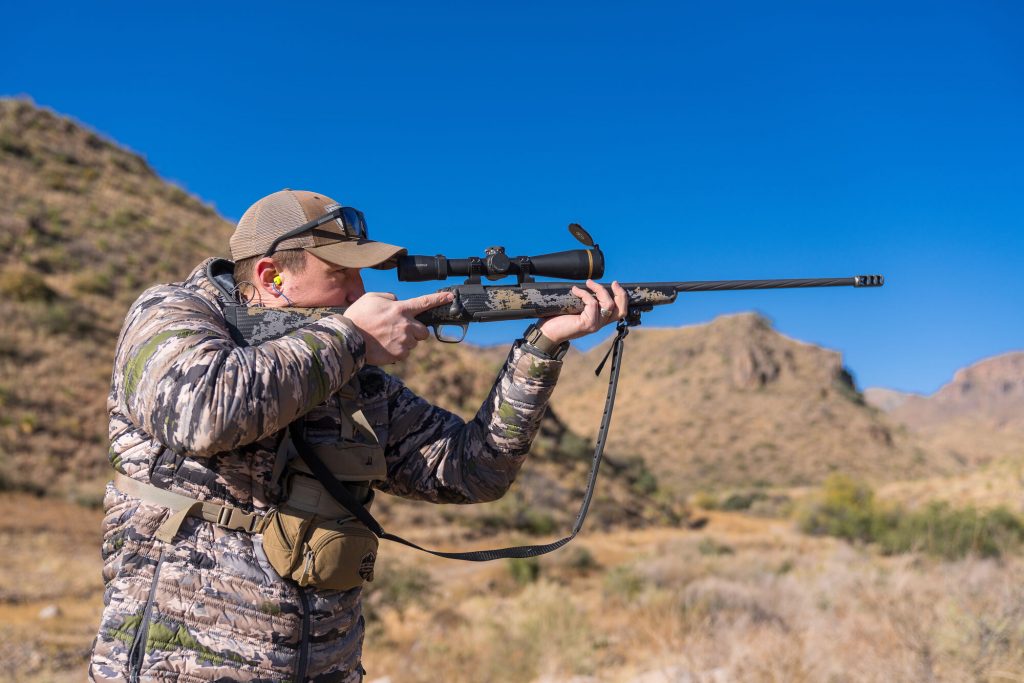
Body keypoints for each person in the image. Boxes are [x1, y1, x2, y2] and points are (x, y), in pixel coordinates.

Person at [89, 189, 627, 682]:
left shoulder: (352, 375)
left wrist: (541, 349)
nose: (360, 292)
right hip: (178, 666)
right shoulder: (173, 313)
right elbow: (202, 412)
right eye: (342, 275)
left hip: (328, 664)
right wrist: (349, 338)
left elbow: (473, 471)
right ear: (274, 277)